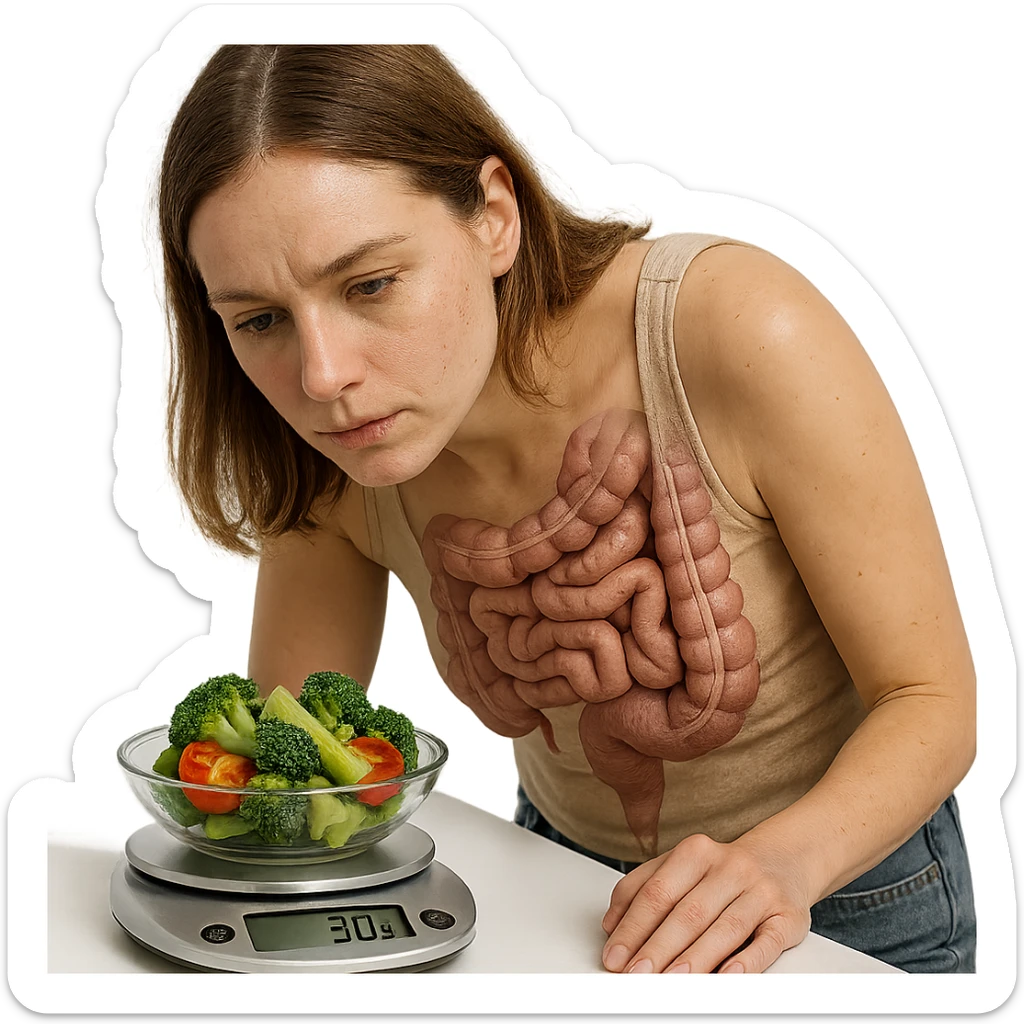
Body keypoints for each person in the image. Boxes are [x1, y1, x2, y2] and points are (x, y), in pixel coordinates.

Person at [157, 43, 977, 974]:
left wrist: (780, 865)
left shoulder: (733, 329)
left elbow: (934, 702)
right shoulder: (332, 465)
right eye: (258, 319)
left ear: (495, 216)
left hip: (851, 898)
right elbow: (288, 770)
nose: (322, 377)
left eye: (371, 284)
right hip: (565, 887)